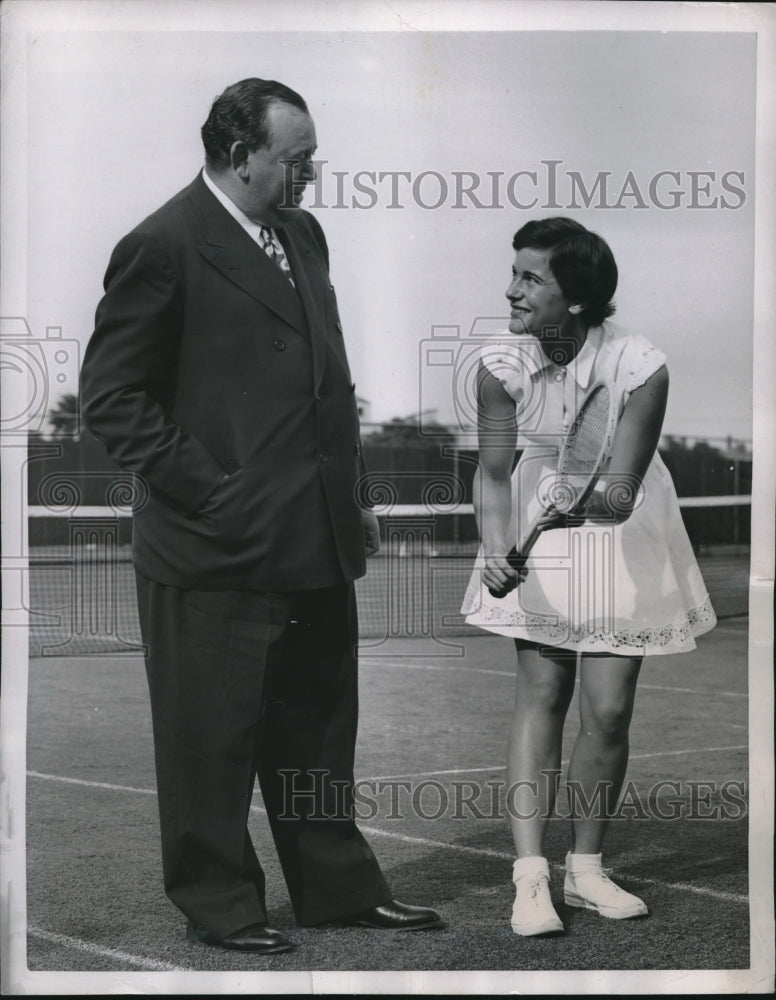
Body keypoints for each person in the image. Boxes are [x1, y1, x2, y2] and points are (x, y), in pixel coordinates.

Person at [80, 78, 442, 954]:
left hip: (313, 533)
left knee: (318, 728)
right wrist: (213, 489)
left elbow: (330, 382)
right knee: (211, 739)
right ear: (241, 157)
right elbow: (111, 397)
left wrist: (352, 497)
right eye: (298, 159)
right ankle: (222, 906)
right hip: (212, 544)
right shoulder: (161, 245)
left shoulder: (302, 233)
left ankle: (338, 889)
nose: (312, 174)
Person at [460, 217, 716, 937]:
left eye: (529, 278)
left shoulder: (641, 365)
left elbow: (620, 491)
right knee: (543, 690)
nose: (510, 289)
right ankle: (531, 877)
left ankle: (587, 870)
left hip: (618, 525)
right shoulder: (498, 368)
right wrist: (496, 544)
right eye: (514, 272)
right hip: (538, 511)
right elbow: (492, 473)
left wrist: (580, 503)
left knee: (608, 709)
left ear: (574, 298)